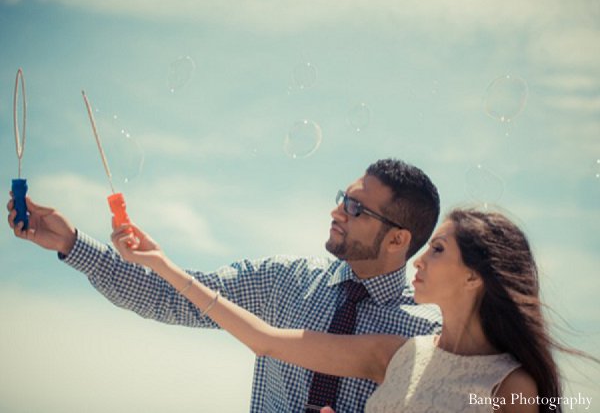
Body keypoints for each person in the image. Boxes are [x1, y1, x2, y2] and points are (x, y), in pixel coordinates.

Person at [7, 158, 442, 413]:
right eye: (341, 198)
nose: (336, 212)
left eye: (355, 208)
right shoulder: (283, 280)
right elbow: (169, 295)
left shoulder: (429, 332)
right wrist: (71, 243)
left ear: (399, 238)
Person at [104, 208, 565, 412]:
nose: (419, 259)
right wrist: (162, 265)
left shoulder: (513, 386)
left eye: (438, 249)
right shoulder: (397, 354)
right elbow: (263, 340)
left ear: (474, 276)